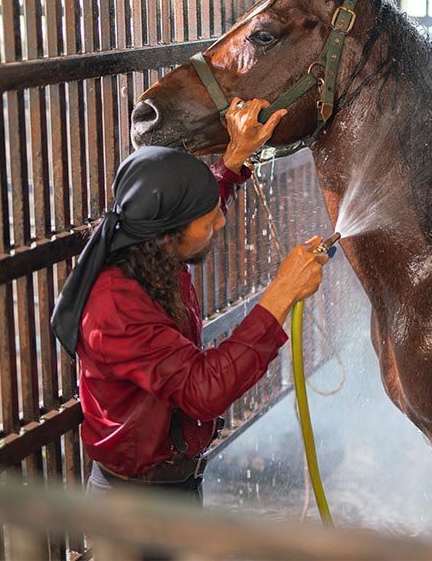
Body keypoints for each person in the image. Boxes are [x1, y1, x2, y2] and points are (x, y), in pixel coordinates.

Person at [50, 98, 330, 498]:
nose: (221, 220)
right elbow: (203, 389)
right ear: (168, 233)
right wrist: (282, 291)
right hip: (135, 505)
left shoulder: (150, 247)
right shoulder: (114, 307)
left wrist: (235, 160)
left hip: (173, 485)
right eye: (209, 219)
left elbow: (198, 206)